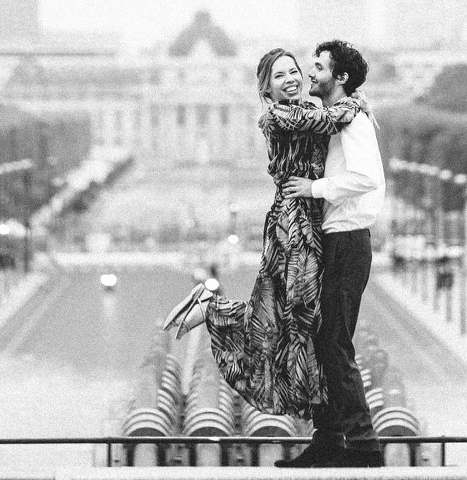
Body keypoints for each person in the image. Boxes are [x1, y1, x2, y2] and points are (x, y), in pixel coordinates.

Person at [163, 48, 366, 419]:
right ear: (267, 90)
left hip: (305, 219)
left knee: (280, 314)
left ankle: (212, 308)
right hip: (295, 226)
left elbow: (325, 120)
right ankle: (214, 310)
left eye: (294, 72)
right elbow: (327, 121)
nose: (290, 79)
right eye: (279, 76)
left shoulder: (303, 110)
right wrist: (356, 102)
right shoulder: (279, 115)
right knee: (298, 316)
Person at [277, 39, 385, 469]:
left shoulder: (353, 122)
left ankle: (362, 445)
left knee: (335, 345)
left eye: (319, 67)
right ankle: (329, 440)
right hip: (336, 240)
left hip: (347, 241)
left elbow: (365, 178)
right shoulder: (340, 118)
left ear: (339, 77)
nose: (311, 73)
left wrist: (313, 188)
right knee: (323, 343)